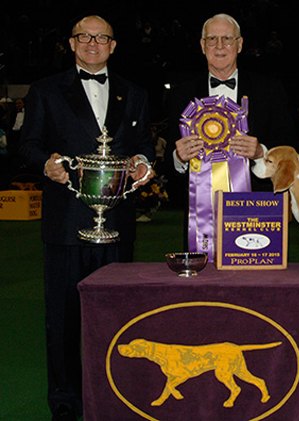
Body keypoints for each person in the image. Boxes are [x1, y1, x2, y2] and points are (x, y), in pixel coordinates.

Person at [18, 15, 155, 421]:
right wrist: (47, 164)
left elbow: (144, 143)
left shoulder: (134, 93)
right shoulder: (44, 91)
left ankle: (117, 396)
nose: (93, 43)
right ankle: (65, 404)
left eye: (101, 38)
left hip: (118, 225)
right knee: (62, 320)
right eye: (84, 36)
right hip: (65, 225)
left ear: (113, 46)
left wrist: (143, 163)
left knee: (119, 315)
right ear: (72, 43)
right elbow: (28, 144)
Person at [166, 13, 295, 200]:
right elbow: (169, 161)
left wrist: (261, 153)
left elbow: (289, 146)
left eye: (227, 39)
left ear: (240, 44)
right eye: (212, 39)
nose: (219, 46)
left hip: (256, 207)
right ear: (202, 46)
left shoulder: (269, 89)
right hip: (200, 212)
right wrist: (179, 158)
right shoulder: (181, 94)